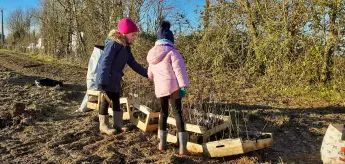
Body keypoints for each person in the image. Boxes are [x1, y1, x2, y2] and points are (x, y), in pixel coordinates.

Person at [96, 18, 148, 135]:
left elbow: (133, 63)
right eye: (133, 35)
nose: (134, 37)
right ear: (125, 33)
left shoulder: (126, 47)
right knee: (106, 100)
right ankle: (103, 125)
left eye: (135, 35)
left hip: (116, 78)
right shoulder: (113, 44)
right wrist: (102, 81)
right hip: (107, 77)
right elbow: (105, 61)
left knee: (116, 100)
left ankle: (118, 124)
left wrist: (147, 73)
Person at [147, 21, 189, 155]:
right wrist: (183, 86)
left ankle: (162, 144)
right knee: (177, 113)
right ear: (171, 39)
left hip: (160, 88)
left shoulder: (152, 55)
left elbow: (150, 75)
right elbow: (179, 71)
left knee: (163, 113)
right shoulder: (173, 52)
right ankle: (182, 148)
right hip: (174, 87)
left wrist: (158, 80)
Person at [76, 45, 104, 112]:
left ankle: (87, 105)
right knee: (93, 83)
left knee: (93, 82)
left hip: (100, 54)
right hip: (99, 54)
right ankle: (86, 106)